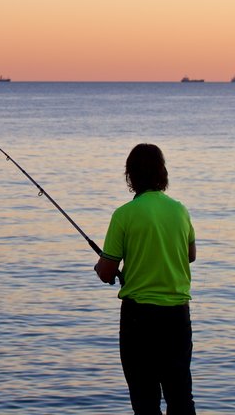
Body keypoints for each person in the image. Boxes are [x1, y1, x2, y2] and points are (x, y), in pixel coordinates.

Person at [94, 143, 197, 415]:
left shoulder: (124, 215)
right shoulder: (180, 210)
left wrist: (102, 266)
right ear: (162, 173)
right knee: (180, 397)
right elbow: (190, 255)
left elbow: (107, 272)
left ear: (130, 175)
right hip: (177, 317)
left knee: (145, 400)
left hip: (139, 320)